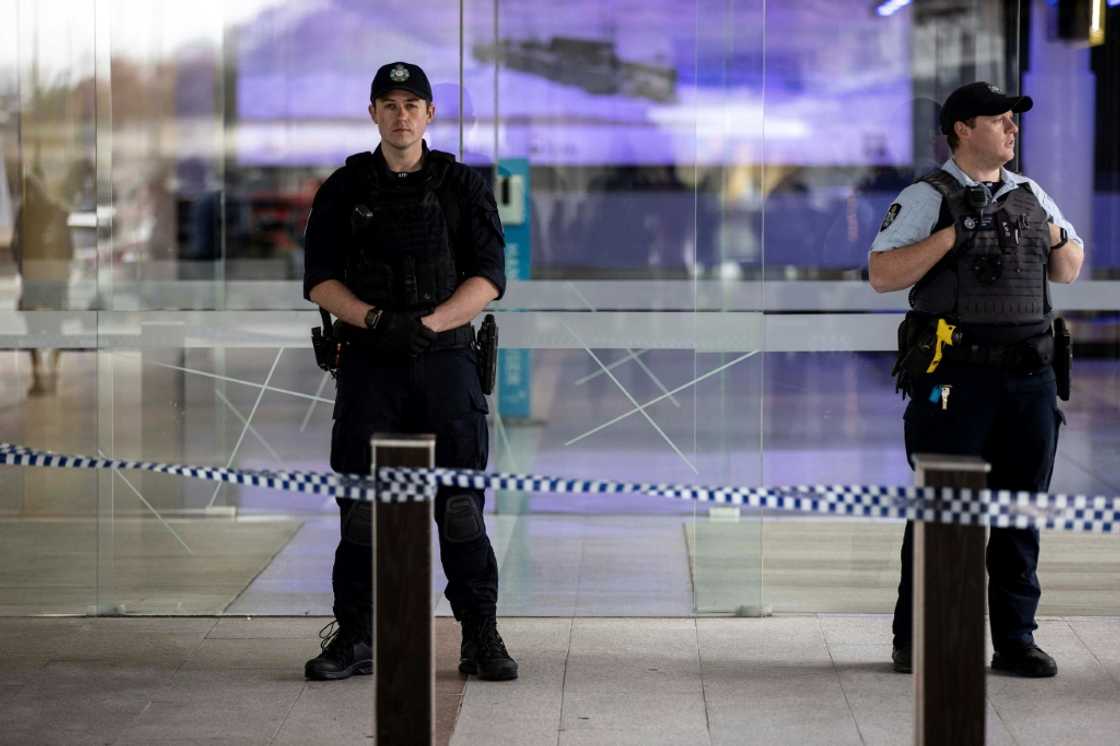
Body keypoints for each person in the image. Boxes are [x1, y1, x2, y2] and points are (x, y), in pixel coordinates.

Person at [302, 61, 517, 682]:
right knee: (363, 510)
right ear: (373, 112)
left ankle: (480, 637)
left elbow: (490, 278)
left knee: (460, 510)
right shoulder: (344, 188)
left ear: (429, 115)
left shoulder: (462, 186)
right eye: (389, 104)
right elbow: (319, 279)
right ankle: (358, 637)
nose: (401, 115)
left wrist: (432, 323)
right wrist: (375, 321)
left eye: (411, 105)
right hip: (370, 364)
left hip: (446, 363)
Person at [868, 81, 1084, 678]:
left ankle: (1015, 640)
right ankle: (924, 638)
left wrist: (1050, 231)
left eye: (1014, 121)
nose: (1012, 129)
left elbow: (1068, 270)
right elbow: (882, 275)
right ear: (963, 129)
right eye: (1000, 119)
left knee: (1020, 517)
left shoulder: (1031, 194)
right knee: (943, 516)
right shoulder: (926, 196)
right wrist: (954, 235)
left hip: (1030, 380)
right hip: (954, 383)